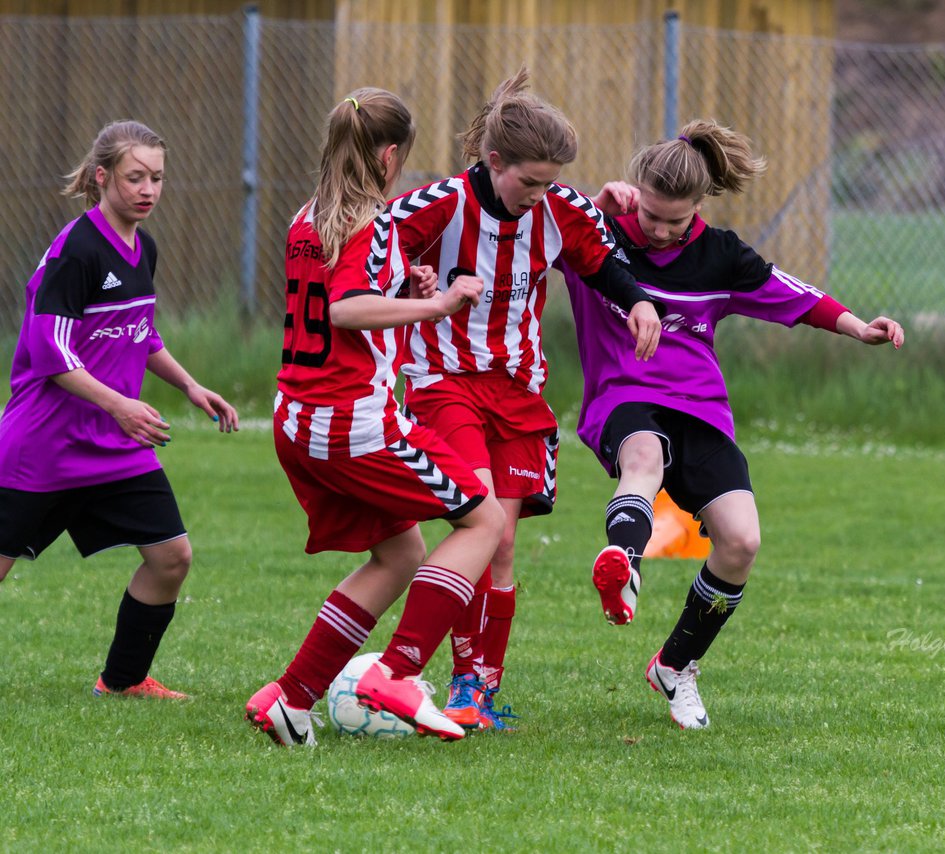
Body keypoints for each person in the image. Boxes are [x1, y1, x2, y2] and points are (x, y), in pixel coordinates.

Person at [568, 120, 905, 730]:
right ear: (636, 193)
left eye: (675, 220)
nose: (661, 230)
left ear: (699, 206)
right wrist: (595, 206)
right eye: (650, 215)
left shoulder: (721, 255)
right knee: (643, 458)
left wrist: (859, 326)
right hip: (625, 398)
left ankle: (675, 666)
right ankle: (625, 560)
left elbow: (794, 296)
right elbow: (550, 232)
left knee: (741, 542)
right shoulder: (600, 240)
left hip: (701, 408)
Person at [375, 68, 663, 731]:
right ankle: (433, 680)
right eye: (529, 181)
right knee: (484, 526)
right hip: (444, 385)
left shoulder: (560, 207)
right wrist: (408, 284)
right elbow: (369, 258)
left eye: (550, 181)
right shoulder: (438, 204)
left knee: (501, 547)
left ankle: (478, 691)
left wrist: (639, 302)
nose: (540, 195)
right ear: (493, 160)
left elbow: (603, 262)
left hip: (517, 392)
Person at [244, 88, 505, 747]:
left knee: (400, 552)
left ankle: (291, 696)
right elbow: (345, 310)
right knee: (484, 519)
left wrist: (399, 288)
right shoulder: (372, 221)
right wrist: (438, 304)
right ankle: (396, 671)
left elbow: (344, 298)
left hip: (296, 420)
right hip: (352, 423)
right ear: (390, 156)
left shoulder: (308, 217)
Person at [0, 120, 239, 699]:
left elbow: (139, 333)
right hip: (43, 445)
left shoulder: (143, 246)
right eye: (135, 177)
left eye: (157, 178)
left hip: (112, 446)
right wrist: (119, 407)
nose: (148, 189)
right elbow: (48, 349)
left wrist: (189, 386)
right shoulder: (76, 251)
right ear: (102, 176)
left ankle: (123, 680)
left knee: (171, 558)